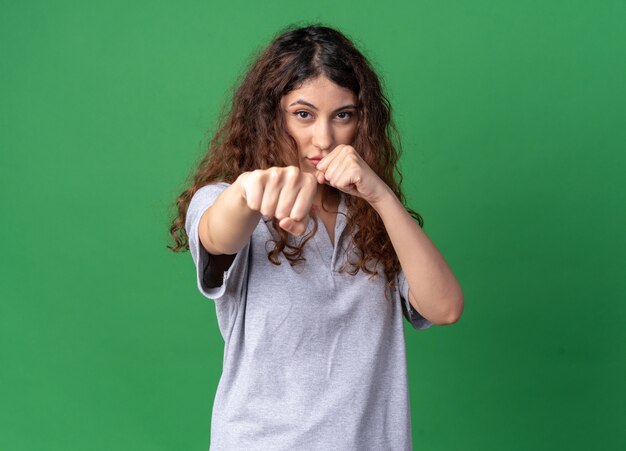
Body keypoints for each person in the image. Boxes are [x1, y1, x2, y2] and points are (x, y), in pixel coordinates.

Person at [168, 24, 463, 451]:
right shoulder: (227, 199)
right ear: (271, 116)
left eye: (342, 115)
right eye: (303, 114)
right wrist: (249, 193)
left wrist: (379, 194)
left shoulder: (373, 217)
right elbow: (217, 234)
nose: (323, 139)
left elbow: (446, 306)